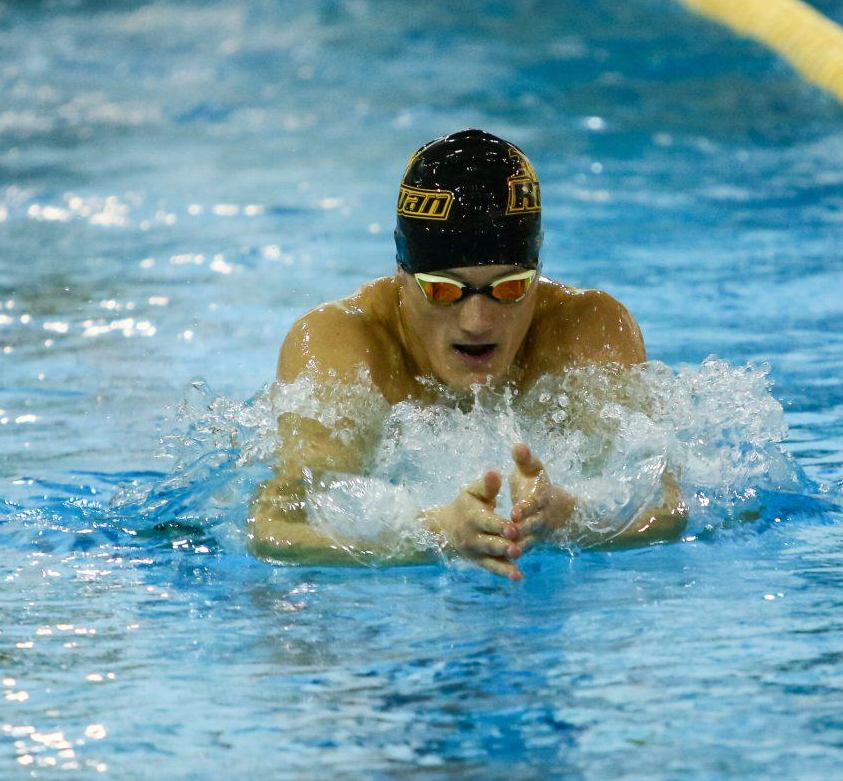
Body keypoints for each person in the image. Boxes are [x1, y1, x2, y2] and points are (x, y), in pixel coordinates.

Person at [250, 129, 687, 579]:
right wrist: (433, 532)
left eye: (510, 288)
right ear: (402, 273)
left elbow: (667, 506)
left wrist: (571, 515)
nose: (477, 321)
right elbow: (276, 529)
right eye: (444, 290)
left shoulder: (586, 331)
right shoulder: (342, 346)